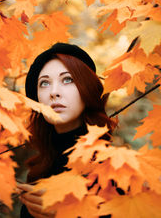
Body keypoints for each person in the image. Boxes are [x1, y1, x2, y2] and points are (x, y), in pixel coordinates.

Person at [17, 42, 115, 218]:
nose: (54, 92)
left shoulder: (112, 167)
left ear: (87, 89)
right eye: (44, 83)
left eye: (67, 79)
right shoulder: (40, 169)